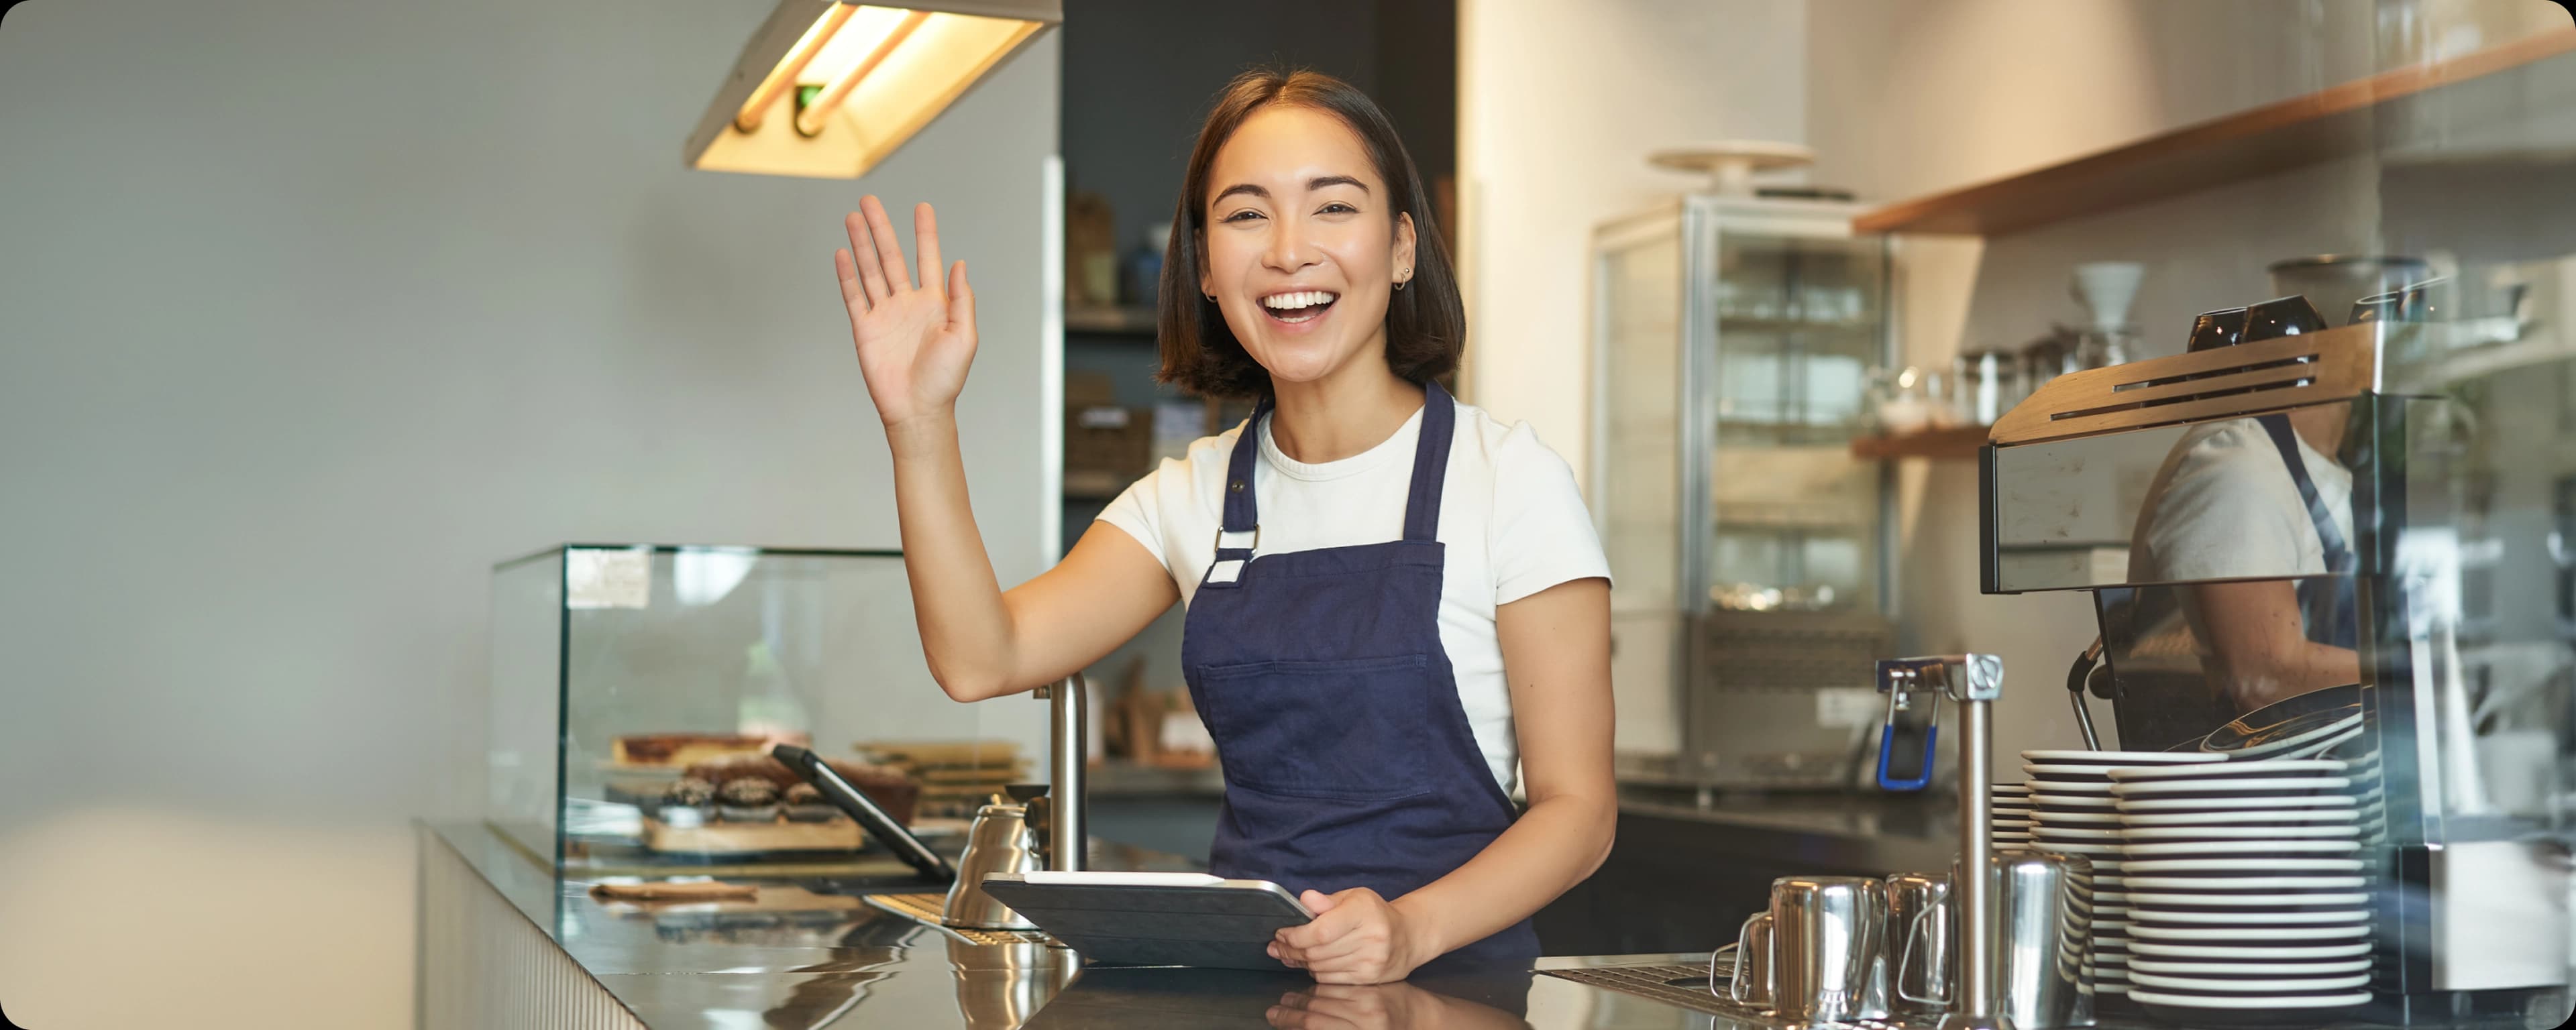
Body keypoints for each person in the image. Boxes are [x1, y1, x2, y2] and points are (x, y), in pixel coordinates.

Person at [828, 69, 1615, 984]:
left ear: (1402, 248)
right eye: (1246, 216)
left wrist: (1409, 929)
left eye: (1332, 208)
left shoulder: (1509, 483)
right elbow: (982, 657)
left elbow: (1580, 813)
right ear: (1205, 267)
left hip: (1449, 998)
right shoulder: (1192, 496)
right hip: (1239, 995)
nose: (1289, 252)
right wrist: (919, 424)